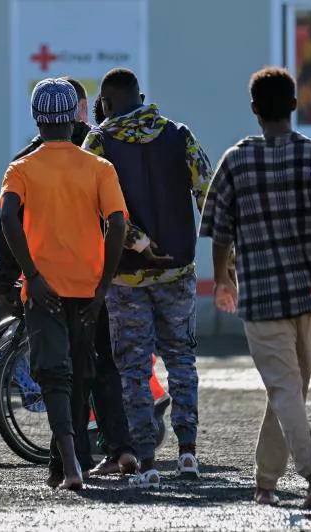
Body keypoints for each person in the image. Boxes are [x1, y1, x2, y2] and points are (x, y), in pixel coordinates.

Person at [0, 77, 143, 478]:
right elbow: (116, 224)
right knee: (84, 370)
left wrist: (31, 276)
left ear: (37, 118)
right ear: (73, 117)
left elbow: (7, 217)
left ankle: (68, 462)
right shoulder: (99, 167)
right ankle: (78, 457)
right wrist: (104, 283)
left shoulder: (21, 168)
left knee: (53, 373)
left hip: (44, 288)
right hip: (88, 286)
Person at [200, 67, 311, 509]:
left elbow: (219, 231)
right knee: (289, 389)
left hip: (261, 298)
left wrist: (221, 278)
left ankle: (275, 480)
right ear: (295, 105)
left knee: (283, 391)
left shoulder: (236, 160)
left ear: (253, 109)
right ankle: (299, 474)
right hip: (308, 296)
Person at [82, 68, 210, 488]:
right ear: (141, 96)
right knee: (181, 359)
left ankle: (147, 461)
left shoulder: (98, 142)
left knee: (134, 370)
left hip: (125, 277)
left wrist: (137, 242)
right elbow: (206, 191)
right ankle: (188, 451)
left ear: (105, 103)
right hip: (178, 268)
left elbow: (96, 207)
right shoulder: (179, 134)